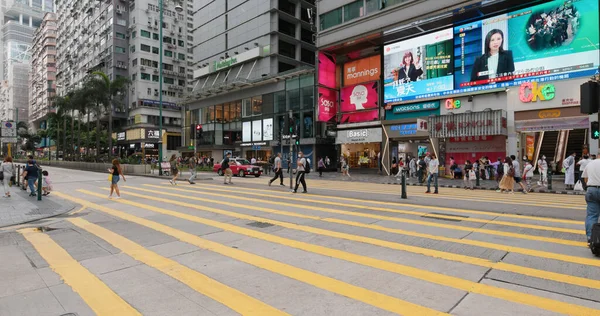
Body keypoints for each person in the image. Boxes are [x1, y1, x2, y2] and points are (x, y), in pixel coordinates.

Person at [582, 157, 600, 245]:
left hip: (591, 189)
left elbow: (585, 178)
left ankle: (590, 238)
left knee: (592, 215)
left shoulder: (590, 164)